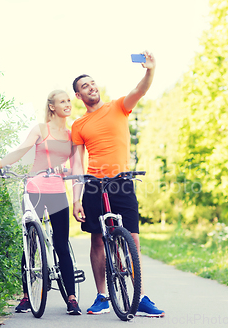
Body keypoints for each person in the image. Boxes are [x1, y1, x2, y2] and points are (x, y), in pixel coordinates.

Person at [70, 51, 164, 317]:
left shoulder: (118, 106)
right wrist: (75, 199)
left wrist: (150, 70)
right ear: (79, 96)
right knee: (98, 240)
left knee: (132, 238)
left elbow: (140, 89)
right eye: (84, 86)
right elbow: (77, 163)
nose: (91, 87)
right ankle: (102, 295)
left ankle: (140, 295)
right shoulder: (79, 124)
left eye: (92, 83)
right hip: (93, 184)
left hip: (121, 182)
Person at [0, 90, 82, 315]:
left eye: (68, 100)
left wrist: (77, 199)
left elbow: (76, 167)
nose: (68, 103)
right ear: (52, 106)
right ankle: (27, 296)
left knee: (61, 244)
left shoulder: (72, 133)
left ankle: (72, 298)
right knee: (30, 244)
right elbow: (20, 151)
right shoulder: (40, 129)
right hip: (34, 189)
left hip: (57, 192)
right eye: (62, 101)